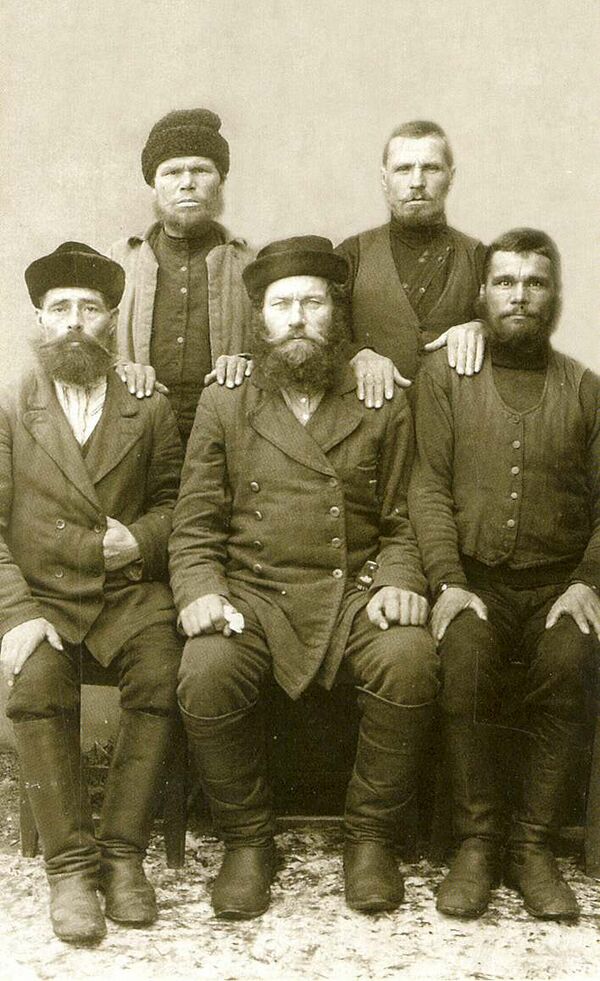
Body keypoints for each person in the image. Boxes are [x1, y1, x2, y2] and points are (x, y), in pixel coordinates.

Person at [169, 235, 438, 920]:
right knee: (206, 668)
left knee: (409, 658)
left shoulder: (380, 399)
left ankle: (370, 839)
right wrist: (201, 591)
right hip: (252, 593)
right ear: (260, 319)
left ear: (336, 314)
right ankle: (247, 841)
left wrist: (398, 580)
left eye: (312, 303)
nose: (296, 318)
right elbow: (194, 524)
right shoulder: (226, 400)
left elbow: (405, 517)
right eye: (281, 304)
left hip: (352, 591)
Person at [409, 228, 600, 921]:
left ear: (555, 295)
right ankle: (478, 844)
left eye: (535, 282)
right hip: (475, 581)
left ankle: (532, 846)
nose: (520, 296)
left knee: (572, 659)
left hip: (558, 586)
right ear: (483, 294)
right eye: (506, 282)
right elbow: (428, 486)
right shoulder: (445, 379)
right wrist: (448, 581)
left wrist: (586, 581)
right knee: (464, 661)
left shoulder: (585, 388)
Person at [0, 242, 183, 944]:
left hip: (126, 593)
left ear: (112, 320)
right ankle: (71, 869)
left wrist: (139, 539)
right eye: (60, 309)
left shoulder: (149, 405)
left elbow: (177, 505)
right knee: (37, 683)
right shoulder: (10, 403)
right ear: (40, 320)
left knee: (163, 670)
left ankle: (123, 855)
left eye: (90, 309)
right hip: (41, 595)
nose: (74, 322)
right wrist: (16, 614)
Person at [109, 108, 254, 444]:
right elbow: (90, 345)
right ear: (153, 185)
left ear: (220, 182)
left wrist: (247, 362)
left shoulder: (250, 263)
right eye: (172, 172)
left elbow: (275, 349)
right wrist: (120, 366)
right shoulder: (120, 260)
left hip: (228, 431)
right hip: (137, 429)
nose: (187, 183)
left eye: (201, 170)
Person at [336, 120, 486, 406]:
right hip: (374, 420)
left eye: (431, 168)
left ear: (451, 176)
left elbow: (513, 328)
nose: (417, 182)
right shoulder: (350, 255)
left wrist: (483, 328)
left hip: (458, 419)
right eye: (403, 169)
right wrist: (356, 353)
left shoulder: (479, 256)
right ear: (384, 179)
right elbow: (322, 331)